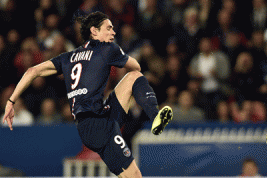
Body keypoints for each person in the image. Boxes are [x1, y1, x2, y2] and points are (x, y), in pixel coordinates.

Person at [2, 11, 173, 178]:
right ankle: (155, 115)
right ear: (94, 31)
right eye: (108, 28)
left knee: (129, 175)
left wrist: (11, 101)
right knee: (136, 75)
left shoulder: (68, 57)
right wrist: (119, 54)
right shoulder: (107, 49)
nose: (113, 32)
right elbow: (136, 65)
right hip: (99, 124)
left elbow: (32, 71)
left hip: (94, 121)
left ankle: (156, 118)